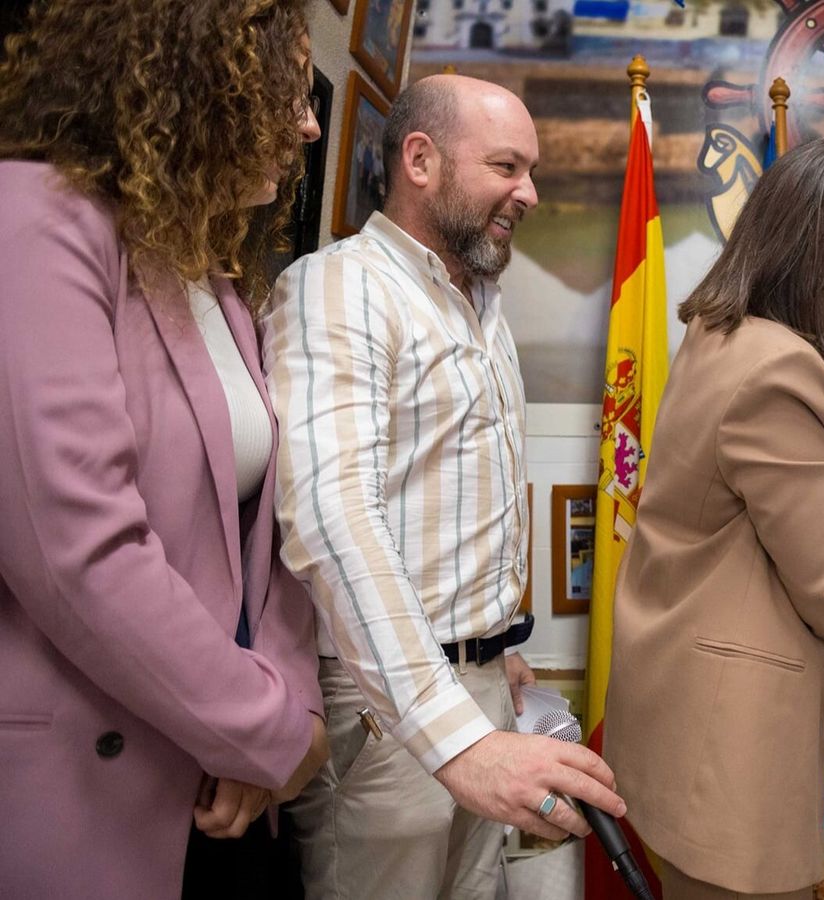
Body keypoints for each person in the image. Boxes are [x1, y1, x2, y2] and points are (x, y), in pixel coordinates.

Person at [265, 74, 625, 899]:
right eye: (506, 165)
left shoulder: (480, 302)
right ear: (420, 160)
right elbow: (333, 517)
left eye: (529, 171)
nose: (528, 192)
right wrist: (454, 736)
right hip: (387, 716)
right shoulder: (341, 287)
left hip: (486, 684)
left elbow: (450, 496)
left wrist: (495, 642)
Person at [0, 2, 331, 895]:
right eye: (284, 89)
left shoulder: (203, 266)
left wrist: (284, 696)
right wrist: (266, 726)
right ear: (194, 80)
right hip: (88, 787)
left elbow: (265, 530)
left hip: (222, 777)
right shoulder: (37, 219)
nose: (306, 122)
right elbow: (82, 555)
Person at [602, 138, 824, 899]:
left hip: (674, 721)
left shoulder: (720, 329)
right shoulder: (783, 369)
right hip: (730, 765)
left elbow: (735, 448)